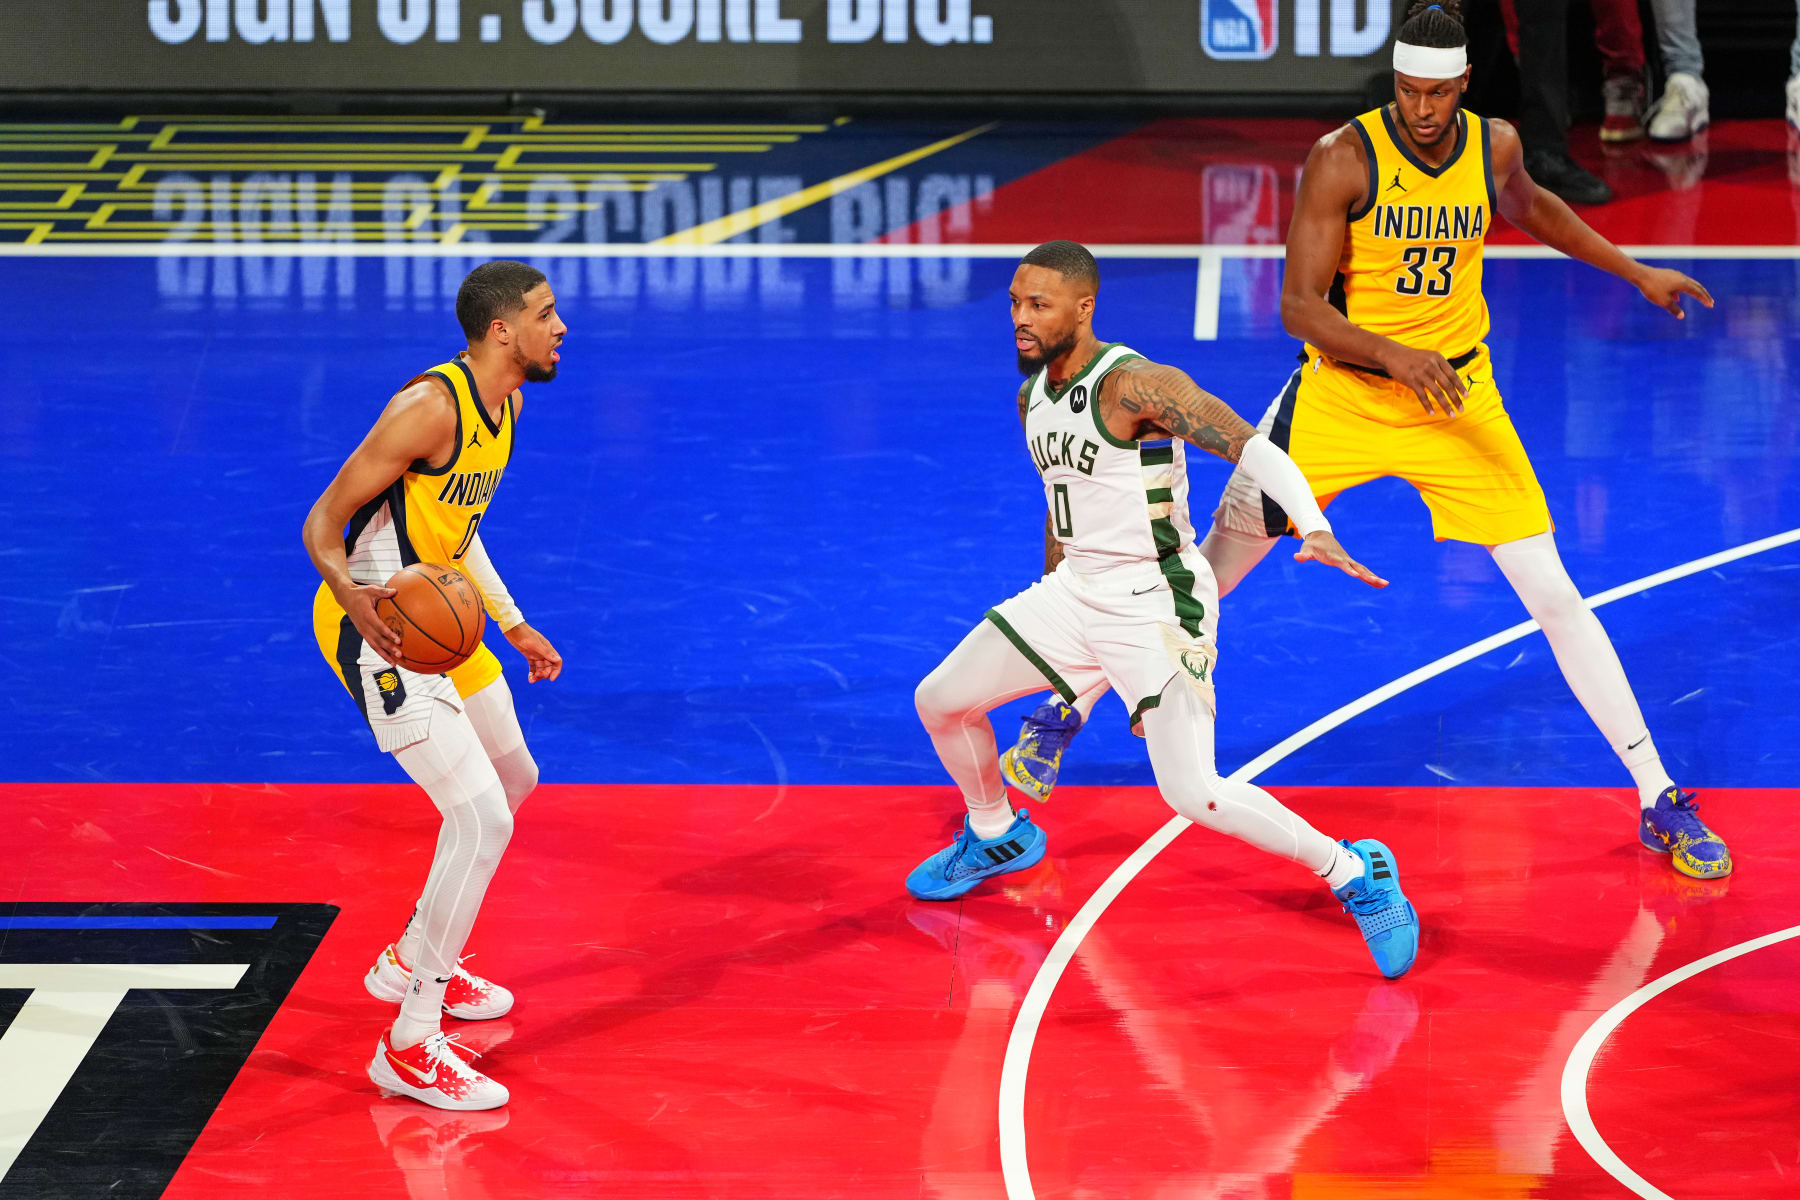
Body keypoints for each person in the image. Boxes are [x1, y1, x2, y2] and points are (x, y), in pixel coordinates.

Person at [1001, 1, 1732, 882]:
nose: (1421, 111)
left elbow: (1533, 208)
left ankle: (1656, 793)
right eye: (1406, 92)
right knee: (1203, 575)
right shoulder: (1343, 157)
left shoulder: (1493, 145)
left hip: (1457, 398)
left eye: (1437, 94)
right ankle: (1058, 712)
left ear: (1466, 84)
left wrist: (1635, 268)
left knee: (1554, 594)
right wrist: (1392, 351)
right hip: (1342, 397)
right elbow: (1299, 306)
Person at [907, 239, 1420, 980]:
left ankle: (1354, 872)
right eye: (1015, 303)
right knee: (941, 701)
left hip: (1156, 601)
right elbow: (1065, 510)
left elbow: (1253, 448)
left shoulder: (1136, 386)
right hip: (1074, 591)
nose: (1020, 318)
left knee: (1191, 793)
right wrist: (1058, 653)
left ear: (1084, 308)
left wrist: (1313, 525)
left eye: (1038, 305)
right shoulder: (1033, 396)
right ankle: (996, 832)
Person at [303, 259, 567, 1110]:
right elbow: (322, 522)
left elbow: (460, 529)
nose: (560, 328)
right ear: (502, 332)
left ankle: (417, 957)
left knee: (517, 778)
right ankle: (411, 1042)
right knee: (479, 813)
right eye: (546, 314)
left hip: (443, 610)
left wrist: (513, 618)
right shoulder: (427, 407)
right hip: (384, 627)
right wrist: (356, 600)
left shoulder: (509, 406)